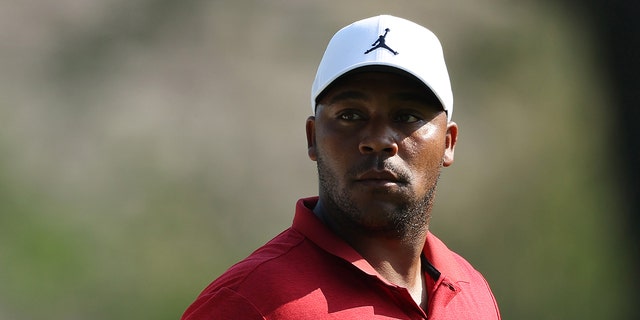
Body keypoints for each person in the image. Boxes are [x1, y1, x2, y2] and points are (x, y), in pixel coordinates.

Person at [181, 15, 501, 320]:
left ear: (448, 143)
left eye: (406, 116)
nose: (377, 140)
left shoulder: (473, 292)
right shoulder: (248, 302)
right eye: (350, 115)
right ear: (313, 138)